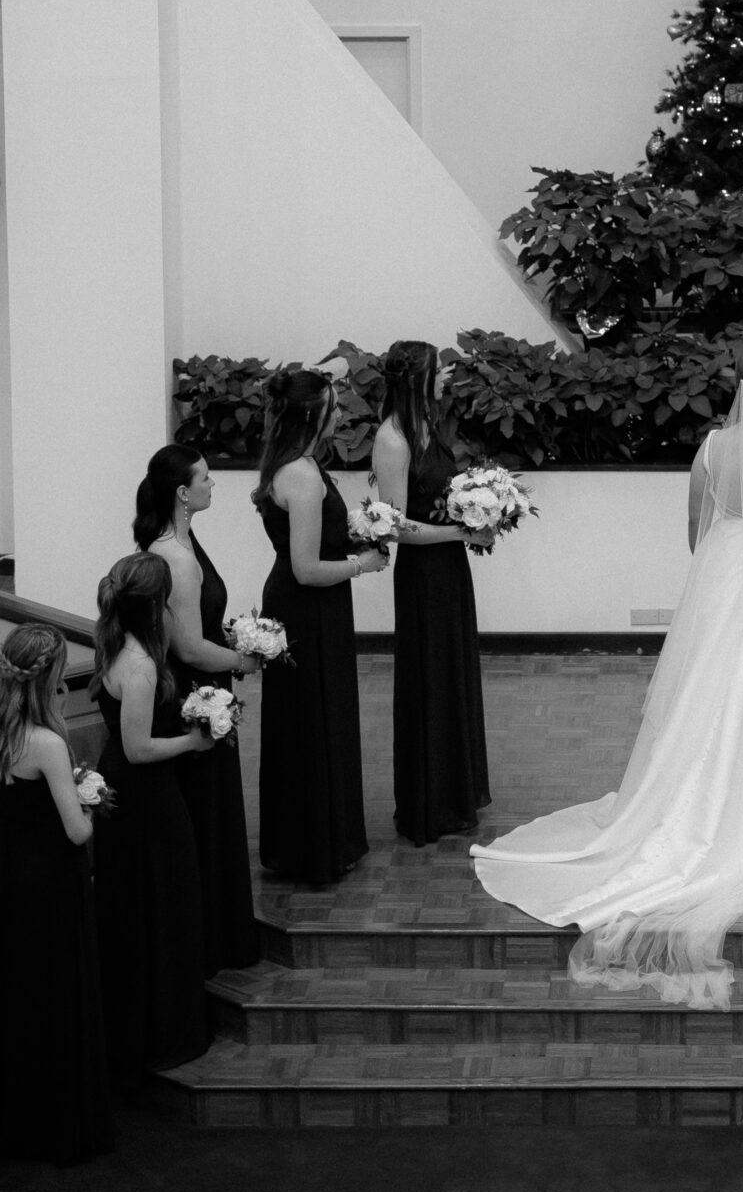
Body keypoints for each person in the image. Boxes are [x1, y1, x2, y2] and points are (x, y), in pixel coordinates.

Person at [473, 346, 743, 1006]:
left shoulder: (713, 449)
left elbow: (697, 527)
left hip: (729, 574)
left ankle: (710, 801)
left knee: (716, 699)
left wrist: (727, 564)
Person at [254, 365, 387, 885]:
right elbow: (306, 569)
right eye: (333, 405)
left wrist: (353, 533)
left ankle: (311, 837)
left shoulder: (294, 464)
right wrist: (363, 564)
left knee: (314, 717)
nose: (340, 413)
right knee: (312, 720)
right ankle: (312, 844)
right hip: (307, 609)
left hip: (314, 607)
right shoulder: (303, 476)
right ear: (314, 413)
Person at [137, 441, 263, 971]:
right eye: (207, 479)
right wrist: (245, 658)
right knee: (209, 812)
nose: (215, 485)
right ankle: (212, 937)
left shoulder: (184, 538)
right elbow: (187, 647)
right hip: (197, 693)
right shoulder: (175, 557)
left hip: (207, 682)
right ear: (182, 493)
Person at [92, 553, 213, 1090]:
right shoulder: (139, 666)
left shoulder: (117, 642)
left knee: (143, 905)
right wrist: (195, 740)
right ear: (155, 605)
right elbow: (138, 748)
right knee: (164, 903)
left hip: (135, 792)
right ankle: (164, 1034)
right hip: (145, 799)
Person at [0, 623, 114, 1164]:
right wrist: (90, 803)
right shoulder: (46, 742)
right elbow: (76, 831)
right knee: (61, 996)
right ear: (52, 680)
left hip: (12, 880)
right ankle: (63, 1124)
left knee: (22, 996)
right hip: (52, 885)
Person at [373, 339, 492, 846]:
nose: (445, 377)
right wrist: (464, 532)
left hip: (450, 571)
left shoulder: (426, 426)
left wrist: (483, 508)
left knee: (453, 673)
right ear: (416, 378)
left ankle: (454, 792)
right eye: (439, 371)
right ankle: (428, 801)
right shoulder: (393, 439)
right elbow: (396, 528)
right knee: (429, 679)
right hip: (422, 576)